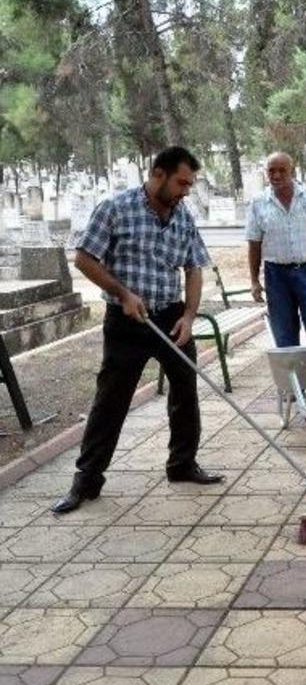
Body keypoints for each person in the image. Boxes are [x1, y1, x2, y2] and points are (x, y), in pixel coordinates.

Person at [51, 146, 222, 514]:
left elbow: (193, 268)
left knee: (185, 389)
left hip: (170, 316)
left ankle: (182, 465)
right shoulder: (115, 208)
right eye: (181, 183)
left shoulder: (182, 216)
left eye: (190, 185)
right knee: (111, 399)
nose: (186, 191)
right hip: (126, 320)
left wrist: (189, 316)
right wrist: (122, 293)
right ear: (158, 174)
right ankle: (87, 481)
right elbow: (83, 258)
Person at [247, 152, 306, 347]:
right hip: (276, 276)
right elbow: (254, 244)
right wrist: (254, 280)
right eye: (271, 171)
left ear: (292, 171)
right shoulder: (258, 202)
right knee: (284, 334)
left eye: (282, 170)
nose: (276, 176)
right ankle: (291, 377)